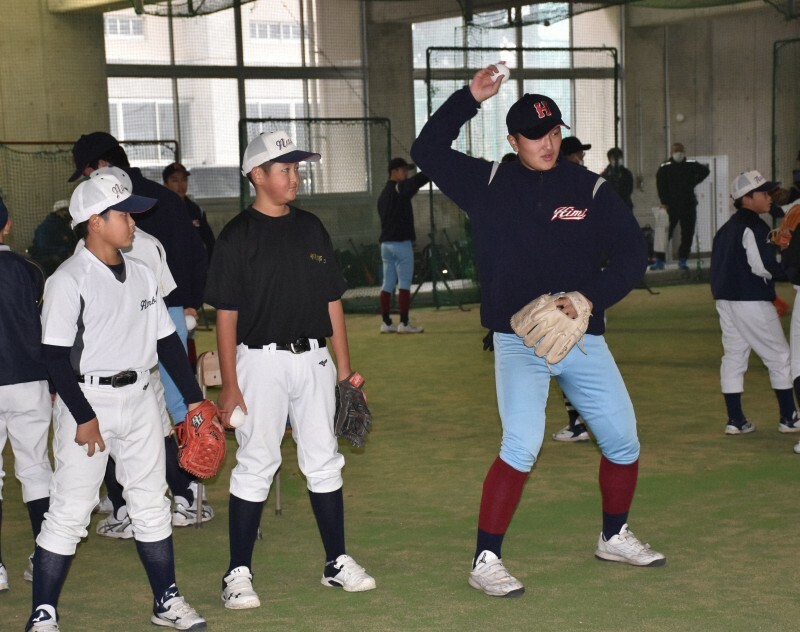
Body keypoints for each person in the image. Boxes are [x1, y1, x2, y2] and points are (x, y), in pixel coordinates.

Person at [411, 65, 665, 598]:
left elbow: (631, 253)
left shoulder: (589, 188)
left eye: (553, 133)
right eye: (534, 136)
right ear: (513, 140)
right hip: (519, 340)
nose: (547, 144)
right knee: (521, 445)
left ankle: (613, 534)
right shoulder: (489, 183)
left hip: (581, 332)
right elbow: (427, 151)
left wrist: (589, 296)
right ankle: (486, 558)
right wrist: (469, 97)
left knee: (623, 440)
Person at [29, 171, 214, 631]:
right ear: (94, 221)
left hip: (141, 398)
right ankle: (43, 613)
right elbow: (53, 358)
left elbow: (168, 343)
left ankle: (166, 600)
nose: (133, 223)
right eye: (123, 215)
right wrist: (84, 417)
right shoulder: (68, 280)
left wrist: (193, 401)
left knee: (151, 501)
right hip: (86, 400)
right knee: (70, 509)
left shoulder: (144, 272)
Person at [205, 130, 376, 610]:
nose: (294, 176)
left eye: (297, 168)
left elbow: (331, 302)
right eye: (284, 169)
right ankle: (237, 572)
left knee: (323, 459)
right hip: (259, 362)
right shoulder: (237, 235)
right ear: (257, 176)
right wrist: (231, 385)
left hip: (315, 360)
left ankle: (336, 562)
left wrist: (345, 372)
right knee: (257, 462)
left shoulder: (311, 227)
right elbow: (226, 314)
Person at [68, 132, 207, 534]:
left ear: (103, 167)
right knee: (171, 410)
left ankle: (137, 502)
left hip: (146, 323)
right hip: (171, 309)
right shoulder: (161, 208)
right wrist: (191, 303)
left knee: (142, 414)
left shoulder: (115, 241)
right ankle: (183, 495)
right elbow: (192, 253)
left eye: (89, 171)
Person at [497, 153, 589, 443]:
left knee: (565, 359)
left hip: (571, 302)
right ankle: (580, 422)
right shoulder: (525, 202)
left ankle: (581, 422)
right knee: (558, 362)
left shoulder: (569, 192)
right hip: (559, 302)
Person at [709, 170, 800, 437]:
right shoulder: (756, 227)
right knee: (781, 357)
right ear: (747, 198)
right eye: (764, 193)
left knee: (734, 357)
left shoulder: (726, 229)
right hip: (751, 301)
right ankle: (789, 417)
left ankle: (736, 420)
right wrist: (792, 269)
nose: (769, 197)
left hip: (726, 301)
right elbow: (763, 267)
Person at [0, 197, 53, 592]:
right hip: (30, 380)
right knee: (35, 469)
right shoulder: (30, 270)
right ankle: (43, 555)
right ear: (8, 226)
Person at [377, 157, 429, 334]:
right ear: (394, 172)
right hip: (401, 246)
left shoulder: (383, 194)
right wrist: (431, 167)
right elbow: (415, 183)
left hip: (385, 246)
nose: (406, 174)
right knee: (404, 284)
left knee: (387, 284)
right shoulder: (398, 189)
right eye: (403, 170)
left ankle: (386, 322)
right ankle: (404, 323)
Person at [651, 142, 710, 271]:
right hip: (670, 207)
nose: (679, 153)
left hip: (688, 205)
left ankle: (683, 260)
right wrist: (664, 202)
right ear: (672, 153)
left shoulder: (690, 164)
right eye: (676, 151)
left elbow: (705, 171)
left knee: (688, 234)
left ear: (684, 152)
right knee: (665, 234)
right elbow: (660, 186)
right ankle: (659, 260)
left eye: (681, 151)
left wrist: (693, 182)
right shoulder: (665, 167)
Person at [162, 162, 215, 263]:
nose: (180, 184)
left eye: (184, 179)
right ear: (165, 185)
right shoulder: (160, 211)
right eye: (175, 180)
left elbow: (209, 242)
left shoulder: (196, 210)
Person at [28, 199, 77, 277]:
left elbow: (73, 244)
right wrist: (64, 251)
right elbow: (42, 248)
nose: (68, 213)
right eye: (65, 211)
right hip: (45, 266)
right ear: (58, 212)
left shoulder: (66, 227)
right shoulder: (46, 227)